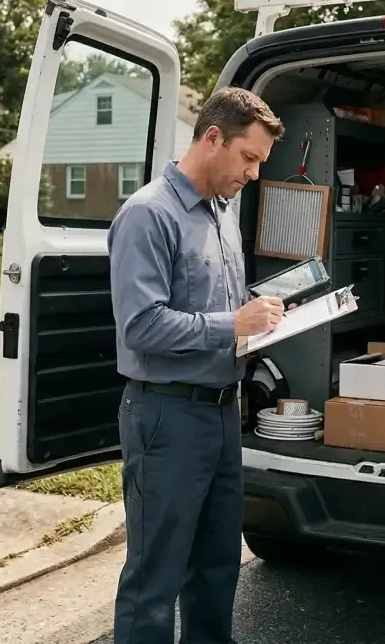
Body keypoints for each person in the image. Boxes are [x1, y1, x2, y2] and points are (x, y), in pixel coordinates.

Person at [106, 86, 286, 644]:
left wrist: (263, 324)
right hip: (165, 417)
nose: (253, 174)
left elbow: (221, 311)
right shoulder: (147, 215)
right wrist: (233, 324)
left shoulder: (222, 213)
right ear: (213, 138)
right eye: (249, 158)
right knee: (154, 576)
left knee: (216, 567)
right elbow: (141, 326)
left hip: (221, 414)